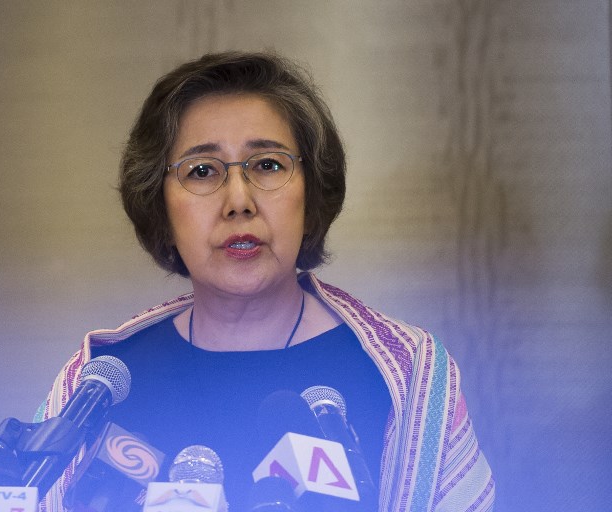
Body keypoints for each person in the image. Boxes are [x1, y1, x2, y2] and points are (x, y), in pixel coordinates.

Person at [35, 51, 494, 512]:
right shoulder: (100, 382)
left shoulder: (407, 375)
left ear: (310, 193)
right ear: (161, 207)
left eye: (268, 165)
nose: (239, 201)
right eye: (202, 171)